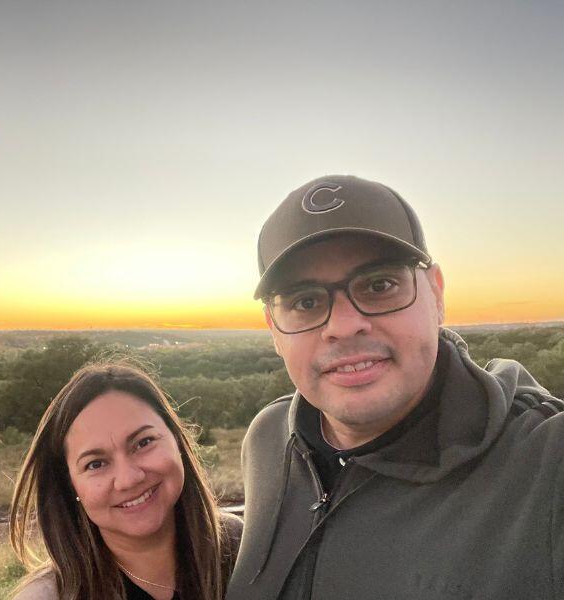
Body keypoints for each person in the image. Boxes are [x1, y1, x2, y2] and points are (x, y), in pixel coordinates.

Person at [226, 175, 564, 600]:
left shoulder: (544, 462)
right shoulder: (269, 438)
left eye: (379, 285)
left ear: (436, 294)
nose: (345, 326)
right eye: (305, 302)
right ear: (274, 330)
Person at [10, 360, 243, 600]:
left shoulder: (244, 549)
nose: (128, 479)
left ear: (177, 440)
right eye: (96, 464)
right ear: (70, 485)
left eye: (143, 442)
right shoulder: (48, 597)